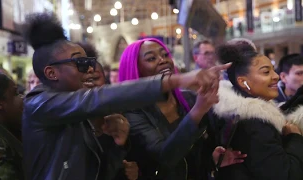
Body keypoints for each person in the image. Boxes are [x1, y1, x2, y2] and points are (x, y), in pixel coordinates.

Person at [22, 13, 230, 180]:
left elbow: (99, 171)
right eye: (80, 64)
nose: (89, 71)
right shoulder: (38, 102)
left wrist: (117, 146)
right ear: (51, 73)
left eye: (90, 63)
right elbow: (99, 98)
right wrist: (177, 80)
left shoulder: (79, 112)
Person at [118, 38, 245, 180]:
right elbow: (165, 157)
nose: (163, 60)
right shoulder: (132, 112)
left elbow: (197, 151)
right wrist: (197, 110)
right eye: (151, 58)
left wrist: (213, 158)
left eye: (165, 55)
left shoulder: (189, 98)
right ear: (136, 69)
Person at [211, 44, 303, 180]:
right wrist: (294, 138)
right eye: (266, 72)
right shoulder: (255, 124)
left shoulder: (243, 114)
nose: (276, 76)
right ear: (243, 82)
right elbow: (286, 175)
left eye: (273, 70)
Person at [78, 42, 139, 180]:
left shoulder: (118, 119)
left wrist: (132, 172)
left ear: (105, 82)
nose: (89, 83)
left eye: (94, 78)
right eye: (83, 79)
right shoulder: (68, 125)